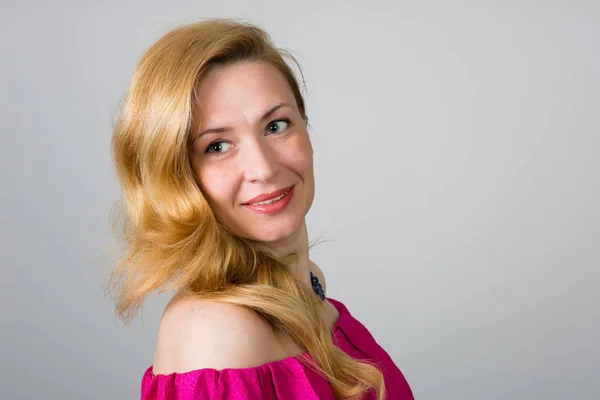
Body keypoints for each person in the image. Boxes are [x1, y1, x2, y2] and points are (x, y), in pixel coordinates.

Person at [108, 18, 414, 400]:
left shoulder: (305, 285)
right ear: (178, 176)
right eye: (217, 146)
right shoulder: (219, 335)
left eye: (276, 126)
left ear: (306, 126)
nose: (264, 169)